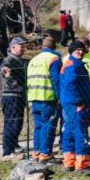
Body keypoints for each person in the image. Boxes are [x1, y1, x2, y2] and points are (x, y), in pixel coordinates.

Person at [60, 40, 90, 173]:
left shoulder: (69, 64)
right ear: (71, 52)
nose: (80, 52)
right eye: (77, 50)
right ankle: (82, 165)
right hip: (77, 105)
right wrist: (79, 102)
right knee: (80, 133)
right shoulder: (74, 66)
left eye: (81, 49)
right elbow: (70, 85)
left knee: (69, 132)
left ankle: (69, 162)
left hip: (69, 104)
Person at [27, 35, 62, 163]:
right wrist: (60, 98)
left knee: (38, 126)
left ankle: (36, 152)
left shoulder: (33, 60)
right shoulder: (54, 59)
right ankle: (46, 154)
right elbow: (56, 80)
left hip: (34, 97)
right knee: (48, 126)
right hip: (48, 98)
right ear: (54, 46)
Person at [0, 37, 27, 158]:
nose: (23, 49)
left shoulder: (18, 60)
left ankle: (14, 144)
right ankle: (7, 151)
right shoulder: (10, 59)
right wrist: (7, 75)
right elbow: (4, 69)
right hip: (11, 95)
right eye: (21, 46)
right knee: (11, 123)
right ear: (13, 48)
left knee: (17, 122)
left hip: (19, 95)